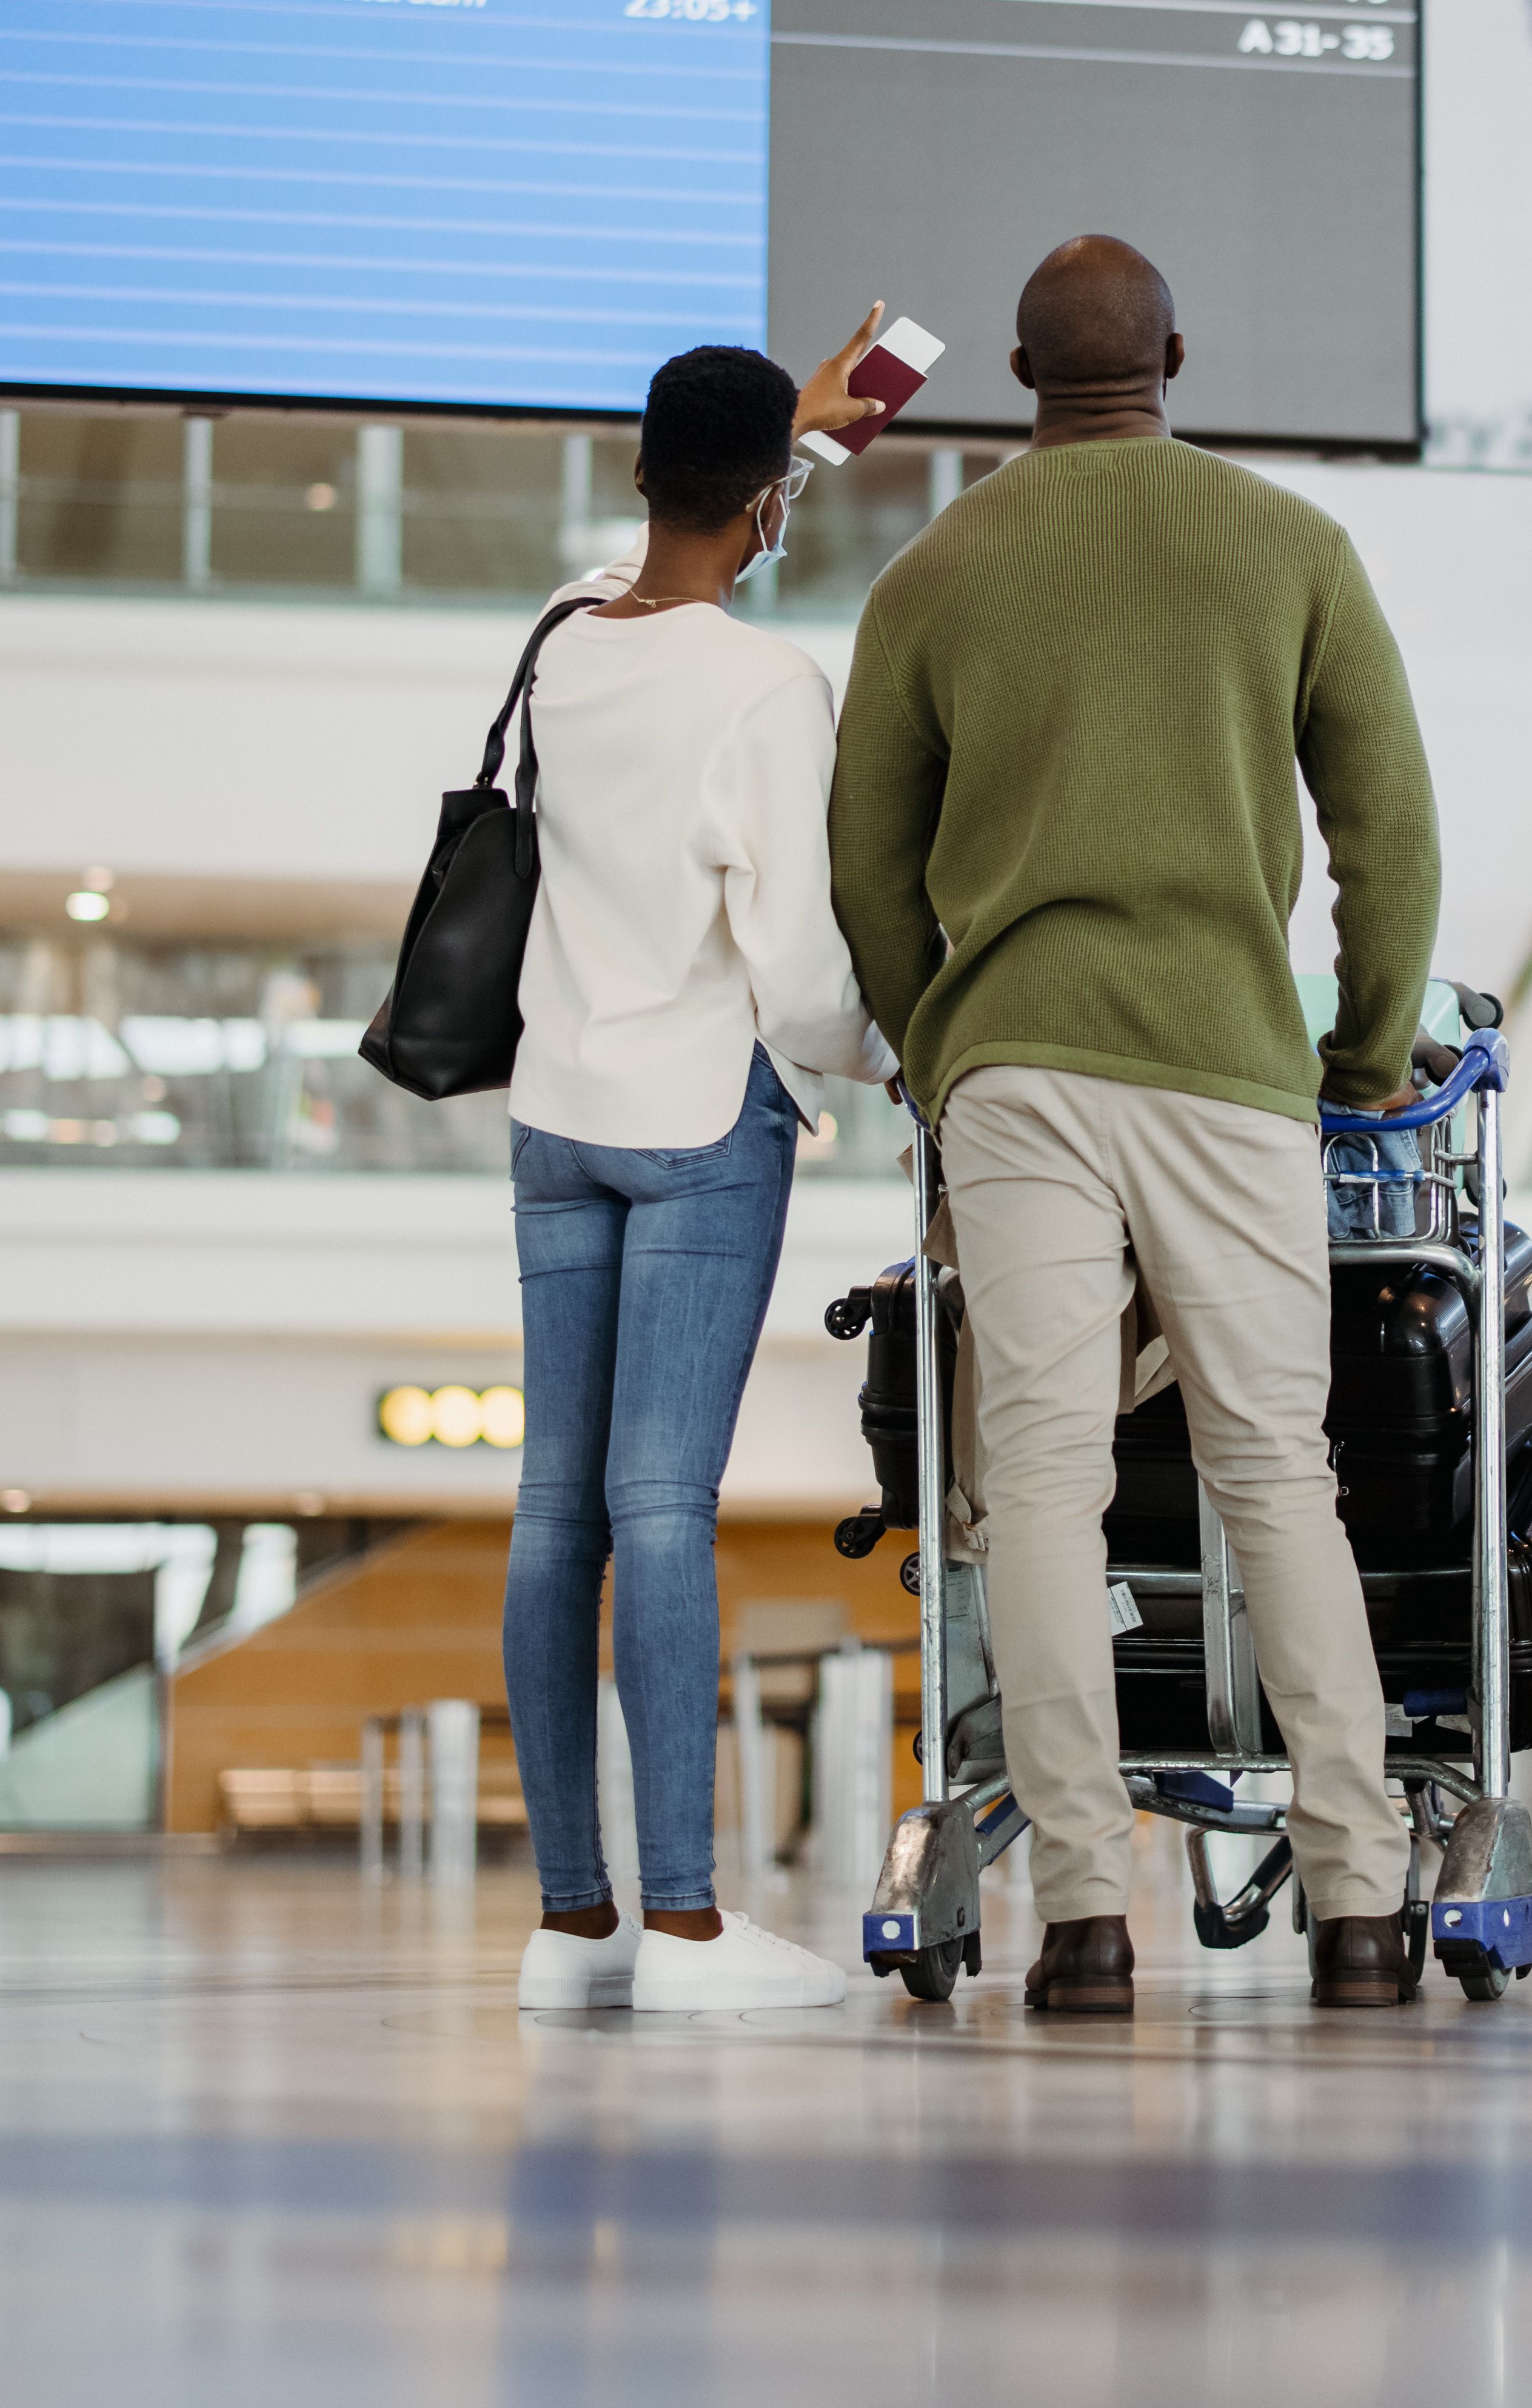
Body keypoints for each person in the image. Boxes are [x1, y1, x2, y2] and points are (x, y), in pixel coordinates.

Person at [830, 236, 1443, 2015]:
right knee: (1276, 1477)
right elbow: (1387, 829)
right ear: (1176, 351)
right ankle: (1359, 1905)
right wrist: (1370, 1047)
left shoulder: (937, 574)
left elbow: (870, 862)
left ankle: (1084, 1920)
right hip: (1231, 1071)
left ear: (1017, 374)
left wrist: (935, 1043)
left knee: (1036, 1485)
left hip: (1018, 1070)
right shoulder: (1290, 550)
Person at [504, 327, 901, 2015]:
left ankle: (571, 1926)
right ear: (764, 512)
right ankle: (685, 1932)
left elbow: (638, 573)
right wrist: (884, 1056)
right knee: (663, 1508)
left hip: (554, 1112)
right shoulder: (767, 688)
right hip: (693, 1130)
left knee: (556, 1515)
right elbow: (803, 970)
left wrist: (771, 452)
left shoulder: (558, 643)